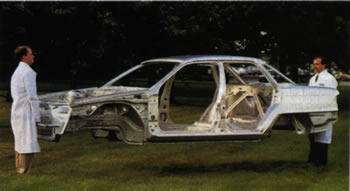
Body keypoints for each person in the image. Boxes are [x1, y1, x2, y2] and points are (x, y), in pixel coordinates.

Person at [10, 45, 40, 174]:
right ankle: (23, 171)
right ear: (24, 56)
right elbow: (32, 96)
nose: (33, 56)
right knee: (26, 141)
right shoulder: (27, 72)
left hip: (18, 110)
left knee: (21, 140)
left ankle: (21, 169)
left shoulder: (19, 71)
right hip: (25, 111)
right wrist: (37, 115)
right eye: (31, 54)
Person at [308, 56, 338, 166]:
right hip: (313, 111)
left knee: (323, 136)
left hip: (324, 111)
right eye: (314, 64)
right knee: (313, 136)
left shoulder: (329, 79)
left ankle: (321, 161)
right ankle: (313, 159)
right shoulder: (312, 79)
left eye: (317, 64)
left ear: (323, 65)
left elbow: (331, 95)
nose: (315, 66)